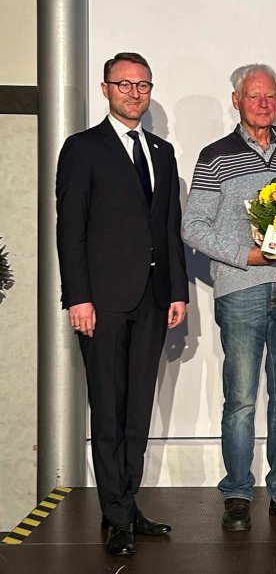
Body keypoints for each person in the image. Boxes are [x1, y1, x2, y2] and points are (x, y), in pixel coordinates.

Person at [56, 52, 188, 556]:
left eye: (142, 85)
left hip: (153, 301)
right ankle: (114, 515)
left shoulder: (163, 150)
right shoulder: (83, 148)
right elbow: (71, 230)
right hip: (103, 303)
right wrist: (79, 297)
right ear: (106, 89)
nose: (134, 93)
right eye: (124, 84)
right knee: (108, 410)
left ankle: (127, 505)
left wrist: (177, 290)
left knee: (137, 411)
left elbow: (168, 227)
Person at [181, 64, 276, 529]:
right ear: (236, 100)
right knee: (240, 399)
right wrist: (247, 256)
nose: (264, 103)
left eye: (271, 95)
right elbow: (192, 226)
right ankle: (237, 493)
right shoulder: (216, 155)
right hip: (241, 289)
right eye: (254, 95)